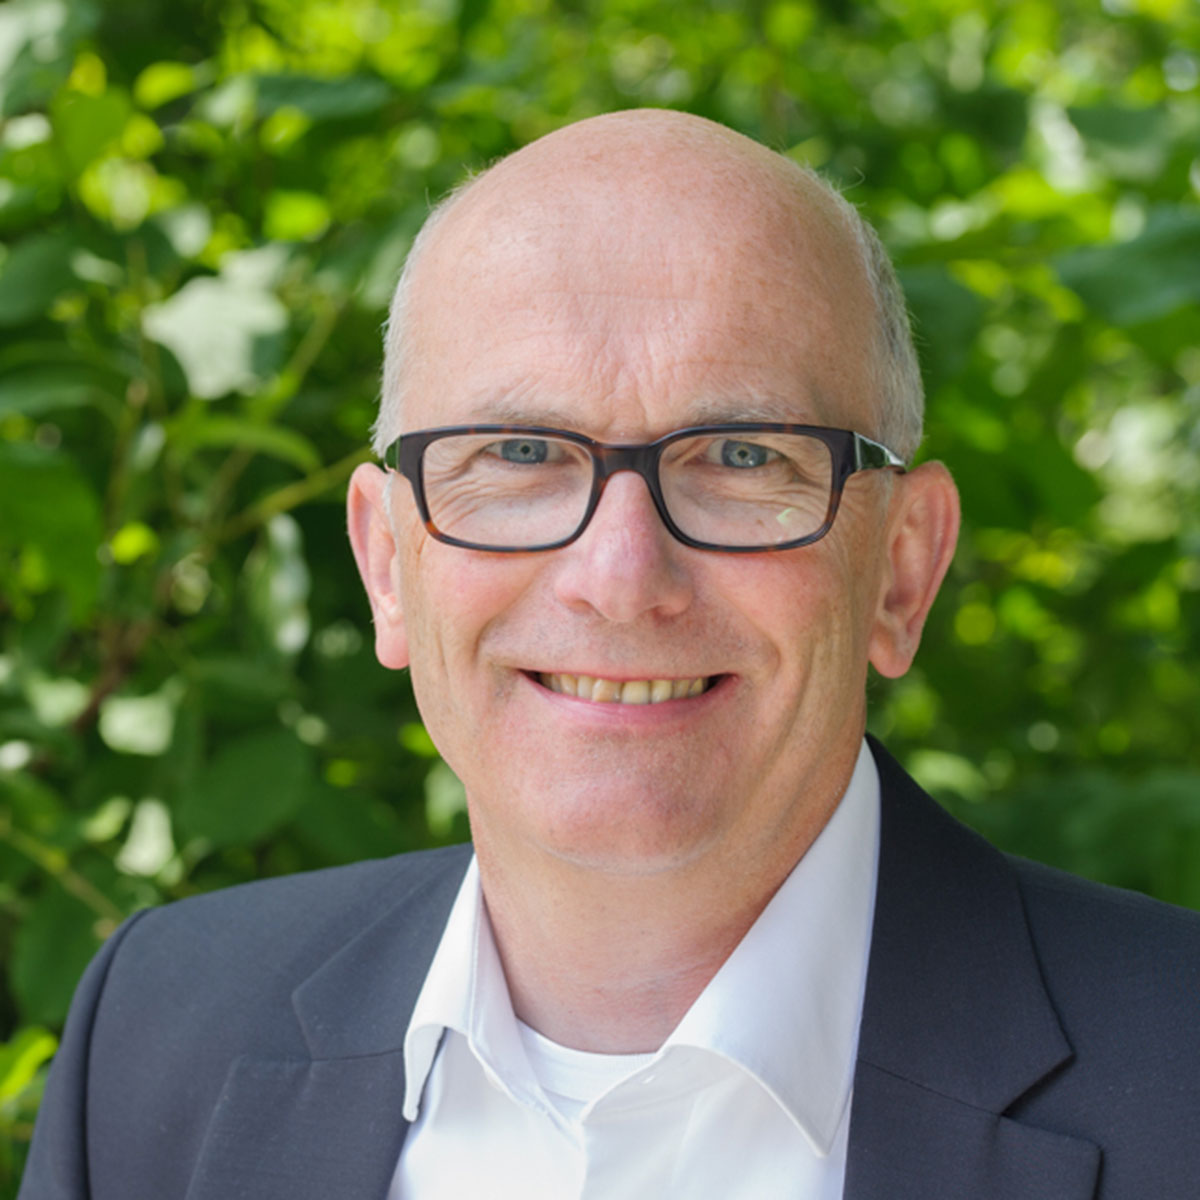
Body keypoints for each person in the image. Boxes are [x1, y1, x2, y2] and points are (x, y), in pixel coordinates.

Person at [19, 110, 1200, 1200]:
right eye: (519, 452)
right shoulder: (160, 1034)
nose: (621, 576)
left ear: (901, 567)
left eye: (743, 456)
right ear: (386, 564)